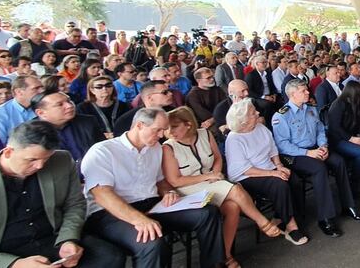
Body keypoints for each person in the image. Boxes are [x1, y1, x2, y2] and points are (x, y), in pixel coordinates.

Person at [81, 108, 226, 268]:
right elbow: (103, 195)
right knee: (150, 240)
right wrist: (138, 219)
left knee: (208, 213)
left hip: (150, 204)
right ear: (139, 125)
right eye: (158, 130)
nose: (162, 135)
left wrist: (168, 192)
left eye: (164, 130)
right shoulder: (103, 151)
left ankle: (213, 265)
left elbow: (160, 181)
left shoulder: (155, 148)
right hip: (110, 213)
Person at [0, 120, 125, 267]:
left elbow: (74, 204)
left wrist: (68, 239)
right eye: (32, 160)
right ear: (8, 152)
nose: (39, 166)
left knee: (110, 257)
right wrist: (14, 264)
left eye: (46, 159)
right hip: (2, 250)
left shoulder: (61, 160)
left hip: (53, 237)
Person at [162, 107, 282, 266]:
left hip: (212, 183)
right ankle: (263, 222)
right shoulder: (168, 147)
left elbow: (218, 158)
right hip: (187, 189)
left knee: (232, 207)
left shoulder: (205, 134)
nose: (170, 131)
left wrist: (216, 174)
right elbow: (176, 181)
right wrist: (209, 176)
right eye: (168, 128)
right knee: (235, 189)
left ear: (189, 124)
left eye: (175, 127)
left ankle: (225, 256)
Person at [272, 79, 360, 237]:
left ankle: (348, 206)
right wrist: (308, 153)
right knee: (319, 168)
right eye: (303, 91)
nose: (308, 92)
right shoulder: (282, 115)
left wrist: (323, 146)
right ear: (292, 94)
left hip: (315, 148)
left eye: (306, 90)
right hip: (295, 154)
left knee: (338, 162)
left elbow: (320, 130)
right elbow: (282, 145)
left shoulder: (311, 109)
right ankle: (325, 218)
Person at [224, 99, 309, 246]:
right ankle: (291, 226)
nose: (257, 113)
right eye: (252, 113)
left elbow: (272, 149)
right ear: (243, 121)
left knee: (294, 179)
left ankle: (284, 215)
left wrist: (279, 166)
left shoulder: (260, 127)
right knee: (279, 184)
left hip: (269, 167)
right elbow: (241, 169)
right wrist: (273, 173)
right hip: (247, 176)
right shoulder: (234, 139)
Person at [326, 81, 360, 194]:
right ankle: (353, 185)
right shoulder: (338, 104)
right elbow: (335, 128)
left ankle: (359, 179)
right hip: (337, 139)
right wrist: (351, 139)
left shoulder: (355, 103)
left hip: (351, 136)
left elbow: (358, 123)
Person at [32, 90, 104, 165]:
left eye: (69, 101)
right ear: (41, 113)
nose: (69, 106)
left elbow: (102, 149)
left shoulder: (88, 122)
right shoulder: (32, 132)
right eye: (60, 104)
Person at [0, 76, 45, 143]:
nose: (42, 91)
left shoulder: (46, 107)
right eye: (36, 88)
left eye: (42, 87)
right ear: (19, 92)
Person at [187, 67, 228, 138]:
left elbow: (227, 105)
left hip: (222, 118)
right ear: (198, 80)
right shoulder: (192, 95)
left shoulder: (218, 89)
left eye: (212, 76)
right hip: (206, 125)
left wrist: (212, 119)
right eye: (208, 78)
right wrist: (214, 119)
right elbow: (203, 115)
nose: (212, 79)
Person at [243, 55, 279, 123]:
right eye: (263, 62)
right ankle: (267, 122)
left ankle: (277, 121)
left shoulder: (268, 73)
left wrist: (274, 94)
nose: (265, 64)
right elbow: (249, 91)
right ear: (257, 64)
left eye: (266, 62)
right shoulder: (251, 75)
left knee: (280, 100)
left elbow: (272, 85)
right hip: (258, 97)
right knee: (267, 104)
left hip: (269, 95)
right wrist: (264, 97)